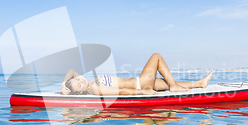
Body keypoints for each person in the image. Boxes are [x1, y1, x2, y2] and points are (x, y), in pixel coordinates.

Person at [61, 53, 213, 96]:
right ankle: (174, 87)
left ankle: (200, 83)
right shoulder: (94, 89)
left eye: (79, 79)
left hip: (141, 82)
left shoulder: (91, 82)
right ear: (80, 92)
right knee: (156, 57)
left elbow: (71, 71)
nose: (81, 80)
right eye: (79, 85)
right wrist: (143, 91)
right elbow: (120, 92)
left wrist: (64, 84)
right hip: (141, 85)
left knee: (164, 82)